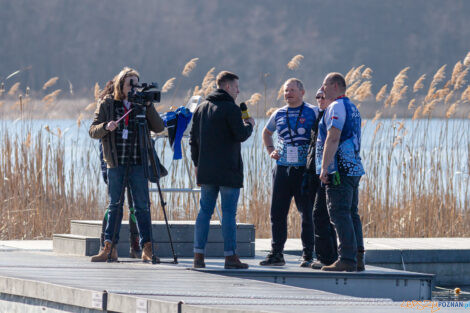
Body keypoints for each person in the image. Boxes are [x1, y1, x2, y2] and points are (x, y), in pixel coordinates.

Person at [89, 67, 165, 262]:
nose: (134, 87)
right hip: (116, 163)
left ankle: (147, 248)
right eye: (130, 83)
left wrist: (148, 106)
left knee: (141, 206)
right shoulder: (108, 104)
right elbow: (92, 130)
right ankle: (109, 247)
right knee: (115, 205)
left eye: (136, 82)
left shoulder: (141, 104)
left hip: (138, 163)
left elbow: (158, 127)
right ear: (120, 84)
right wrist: (106, 126)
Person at [189, 71, 255, 269]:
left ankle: (198, 256)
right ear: (227, 87)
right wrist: (250, 125)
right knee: (228, 214)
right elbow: (241, 135)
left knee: (204, 212)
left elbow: (193, 140)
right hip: (228, 170)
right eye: (236, 87)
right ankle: (230, 257)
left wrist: (196, 164)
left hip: (207, 170)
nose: (238, 91)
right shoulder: (232, 109)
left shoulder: (201, 108)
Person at [260, 78, 319, 267]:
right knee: (277, 213)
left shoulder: (313, 111)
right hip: (283, 168)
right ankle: (277, 253)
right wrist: (271, 151)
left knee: (307, 214)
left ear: (302, 92)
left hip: (304, 170)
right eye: (286, 91)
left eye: (292, 90)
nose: (288, 94)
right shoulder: (278, 113)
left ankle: (308, 254)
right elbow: (266, 132)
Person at [317, 72, 365, 272]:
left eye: (325, 84)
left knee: (339, 213)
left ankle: (346, 258)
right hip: (354, 168)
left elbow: (333, 137)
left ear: (335, 86)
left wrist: (325, 166)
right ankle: (358, 257)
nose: (322, 88)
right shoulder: (353, 107)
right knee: (351, 213)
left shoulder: (336, 106)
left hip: (340, 170)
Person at [302, 88, 338, 270]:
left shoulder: (331, 116)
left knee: (322, 215)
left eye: (322, 96)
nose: (319, 99)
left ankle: (327, 258)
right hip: (313, 172)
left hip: (326, 173)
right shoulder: (319, 116)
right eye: (316, 96)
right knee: (317, 214)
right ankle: (329, 255)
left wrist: (326, 169)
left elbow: (332, 143)